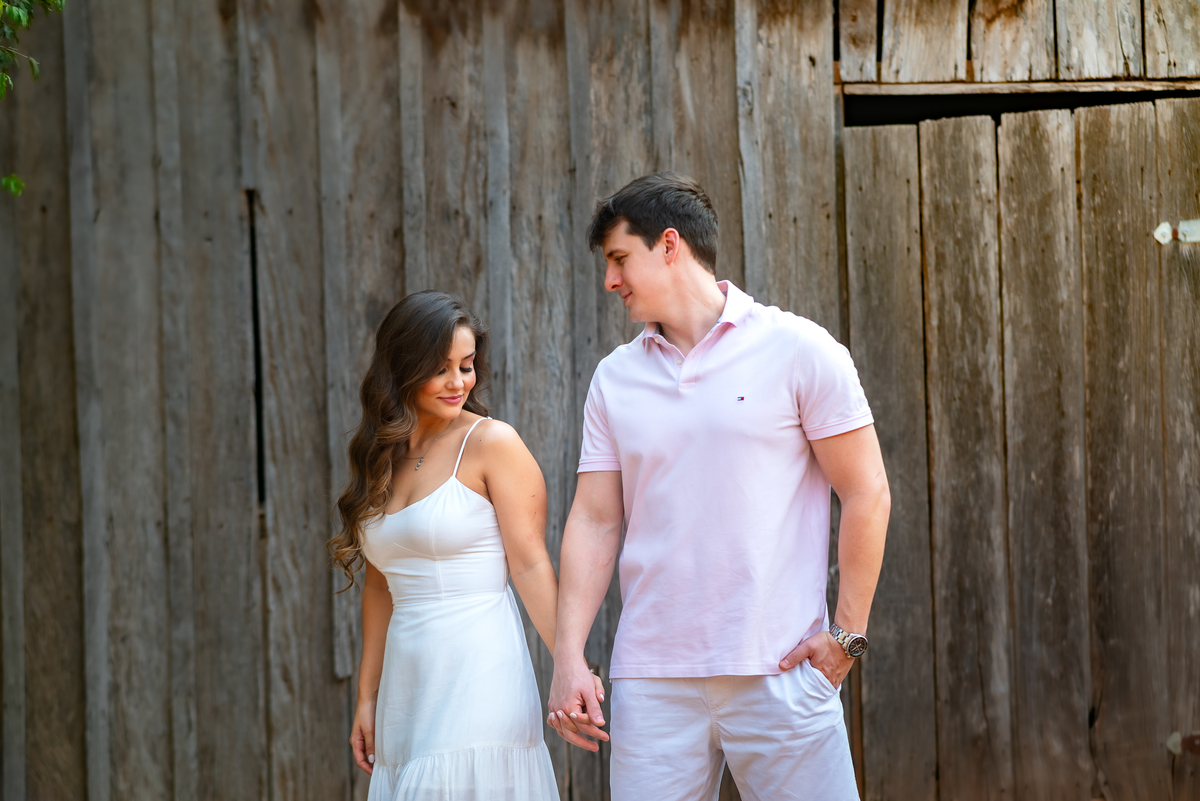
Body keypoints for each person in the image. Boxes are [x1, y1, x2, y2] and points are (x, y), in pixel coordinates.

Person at [547, 173, 891, 800]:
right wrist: (569, 654)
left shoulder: (799, 350)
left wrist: (846, 637)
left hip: (781, 671)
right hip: (652, 682)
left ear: (669, 245)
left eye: (620, 259)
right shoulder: (614, 378)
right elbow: (595, 520)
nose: (610, 281)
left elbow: (867, 490)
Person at [329, 291, 593, 800]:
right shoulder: (381, 455)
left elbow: (532, 564)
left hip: (478, 668)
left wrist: (571, 662)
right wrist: (367, 697)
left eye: (467, 366)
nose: (458, 383)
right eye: (441, 368)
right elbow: (382, 583)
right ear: (400, 369)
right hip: (408, 684)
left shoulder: (492, 444)